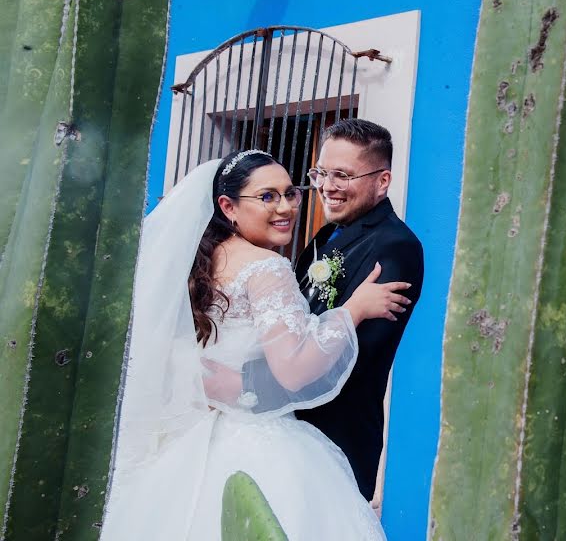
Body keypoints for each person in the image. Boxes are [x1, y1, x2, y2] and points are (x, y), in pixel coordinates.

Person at [102, 150, 411, 540]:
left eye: (290, 194)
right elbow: (294, 370)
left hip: (191, 439)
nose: (285, 207)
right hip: (257, 443)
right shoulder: (266, 267)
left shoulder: (196, 263)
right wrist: (353, 311)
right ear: (227, 206)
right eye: (267, 197)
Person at [204, 119, 425, 502]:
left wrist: (242, 384)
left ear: (382, 181)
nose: (327, 186)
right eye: (321, 172)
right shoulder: (326, 234)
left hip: (334, 435)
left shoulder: (396, 247)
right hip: (272, 429)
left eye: (342, 175)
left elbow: (356, 358)